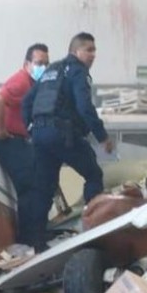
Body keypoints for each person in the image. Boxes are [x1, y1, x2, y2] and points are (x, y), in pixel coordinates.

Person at [22, 32, 114, 251]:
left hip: (41, 136)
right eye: (89, 50)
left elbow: (27, 101)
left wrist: (30, 129)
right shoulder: (77, 71)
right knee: (93, 174)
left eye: (95, 50)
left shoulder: (51, 70)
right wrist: (103, 137)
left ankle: (37, 243)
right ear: (76, 51)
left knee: (43, 188)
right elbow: (85, 107)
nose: (93, 55)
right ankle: (93, 234)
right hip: (63, 135)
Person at [0, 43, 49, 245]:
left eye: (46, 64)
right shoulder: (21, 82)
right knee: (29, 188)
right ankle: (28, 241)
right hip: (9, 140)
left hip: (21, 140)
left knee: (39, 184)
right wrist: (1, 129)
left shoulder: (34, 84)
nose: (43, 67)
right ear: (27, 64)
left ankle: (37, 237)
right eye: (39, 63)